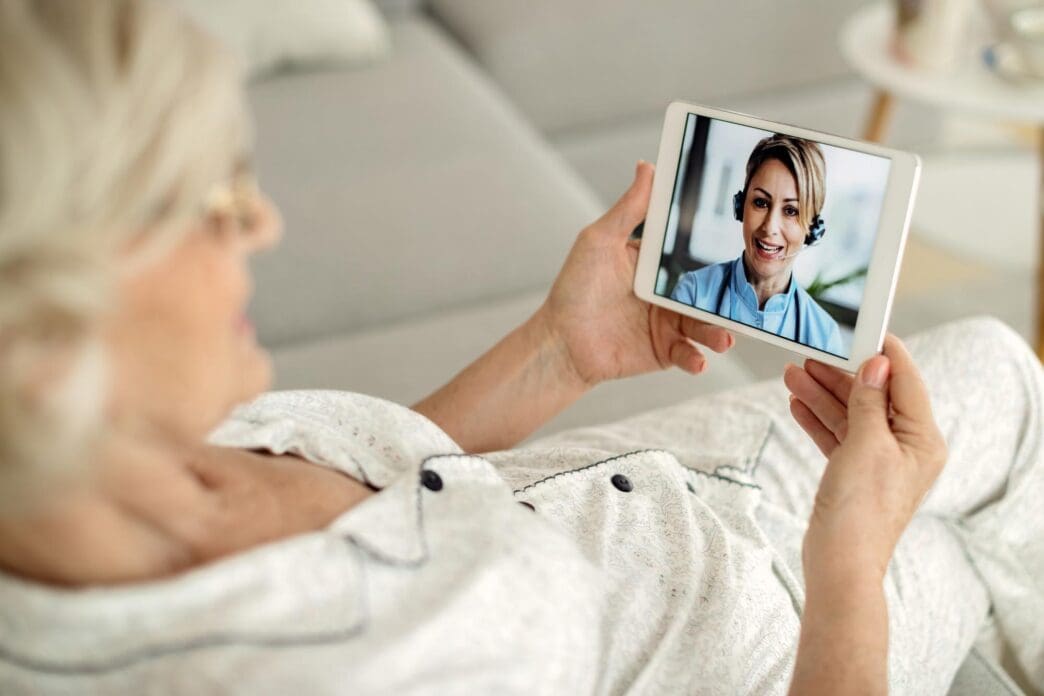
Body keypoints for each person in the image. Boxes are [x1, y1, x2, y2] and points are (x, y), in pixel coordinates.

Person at [0, 2, 1042, 694]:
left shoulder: (126, 450)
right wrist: (851, 558)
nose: (263, 222)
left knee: (1003, 373)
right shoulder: (312, 670)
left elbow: (400, 488)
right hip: (779, 632)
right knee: (977, 545)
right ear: (46, 338)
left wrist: (560, 350)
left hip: (670, 479)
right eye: (210, 203)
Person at [671, 134, 845, 356]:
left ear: (812, 229)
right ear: (741, 206)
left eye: (791, 211)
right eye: (761, 203)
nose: (770, 227)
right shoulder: (693, 292)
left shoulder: (824, 334)